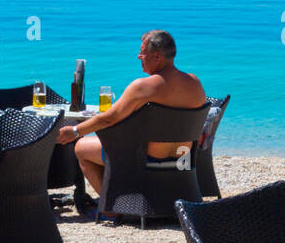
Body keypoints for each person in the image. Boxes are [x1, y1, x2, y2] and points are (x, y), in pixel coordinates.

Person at [56, 30, 206, 197]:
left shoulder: (143, 86)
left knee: (82, 147)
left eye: (142, 53)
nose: (138, 57)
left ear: (157, 57)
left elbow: (109, 118)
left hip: (146, 159)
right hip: (182, 159)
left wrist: (76, 131)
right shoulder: (195, 82)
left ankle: (112, 208)